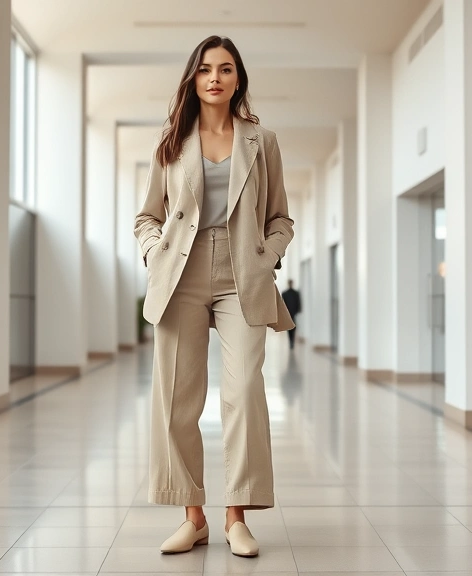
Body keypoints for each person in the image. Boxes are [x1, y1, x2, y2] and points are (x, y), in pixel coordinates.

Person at [134, 35, 295, 559]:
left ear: (237, 79)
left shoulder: (261, 141)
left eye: (226, 69)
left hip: (241, 274)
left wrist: (267, 255)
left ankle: (238, 516)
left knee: (245, 388)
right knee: (177, 397)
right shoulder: (170, 141)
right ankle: (193, 516)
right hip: (179, 271)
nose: (215, 78)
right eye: (205, 69)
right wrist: (154, 252)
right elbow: (147, 216)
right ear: (193, 78)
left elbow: (280, 219)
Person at [281, 280, 301, 348]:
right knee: (290, 327)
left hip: (293, 312)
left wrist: (298, 310)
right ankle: (291, 340)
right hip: (288, 313)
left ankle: (292, 340)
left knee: (293, 326)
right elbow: (282, 303)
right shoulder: (285, 293)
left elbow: (298, 302)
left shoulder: (295, 293)